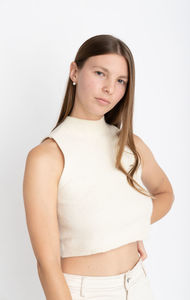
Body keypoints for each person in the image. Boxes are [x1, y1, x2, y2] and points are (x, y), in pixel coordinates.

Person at [23, 34, 175, 300]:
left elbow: (165, 193)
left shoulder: (130, 144)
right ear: (74, 72)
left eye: (120, 81)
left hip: (138, 284)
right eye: (100, 73)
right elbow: (47, 265)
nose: (109, 88)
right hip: (85, 292)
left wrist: (128, 228)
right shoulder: (47, 157)